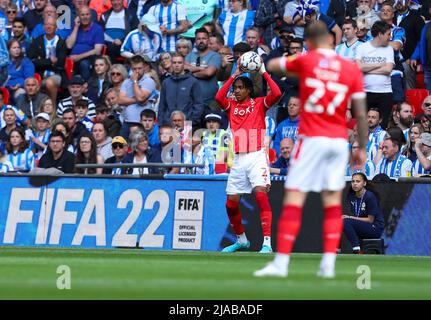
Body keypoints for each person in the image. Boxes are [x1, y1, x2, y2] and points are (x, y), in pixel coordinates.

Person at [254, 21, 369, 278]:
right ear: (331, 39)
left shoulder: (307, 60)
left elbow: (272, 65)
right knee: (332, 203)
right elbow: (361, 115)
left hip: (311, 139)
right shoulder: (350, 69)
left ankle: (281, 263)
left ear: (308, 41)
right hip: (338, 142)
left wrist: (290, 58)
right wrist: (360, 146)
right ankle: (328, 263)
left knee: (295, 198)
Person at [215, 54, 282, 254]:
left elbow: (277, 93)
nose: (236, 91)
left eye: (240, 87)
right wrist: (234, 75)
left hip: (256, 156)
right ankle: (241, 240)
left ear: (249, 90)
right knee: (230, 205)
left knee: (261, 196)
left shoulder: (259, 104)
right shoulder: (231, 106)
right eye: (235, 88)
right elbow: (219, 97)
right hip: (238, 158)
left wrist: (263, 72)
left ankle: (267, 243)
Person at [355, 21, 394, 129]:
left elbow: (388, 69)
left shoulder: (389, 48)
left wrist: (366, 68)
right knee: (363, 125)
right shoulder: (362, 47)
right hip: (365, 92)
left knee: (383, 125)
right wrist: (379, 64)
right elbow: (358, 68)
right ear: (380, 34)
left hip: (385, 93)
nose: (390, 37)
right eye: (388, 34)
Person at [27, 16, 68, 104]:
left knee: (49, 82)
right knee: (30, 83)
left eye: (51, 25)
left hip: (57, 74)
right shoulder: (37, 41)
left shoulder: (61, 42)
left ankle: (51, 108)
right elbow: (32, 61)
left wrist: (41, 60)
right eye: (46, 24)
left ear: (56, 28)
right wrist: (50, 61)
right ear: (43, 27)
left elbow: (60, 63)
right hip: (40, 75)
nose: (48, 27)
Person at [158, 53, 204, 129]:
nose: (177, 65)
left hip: (187, 124)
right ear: (171, 64)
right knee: (170, 141)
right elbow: (162, 105)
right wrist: (161, 122)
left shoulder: (193, 81)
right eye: (174, 63)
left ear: (184, 64)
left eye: (179, 62)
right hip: (168, 123)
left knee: (185, 142)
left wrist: (192, 121)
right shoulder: (166, 82)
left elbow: (198, 104)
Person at [343, 172, 385, 254]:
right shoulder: (352, 196)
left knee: (345, 221)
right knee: (339, 220)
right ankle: (336, 250)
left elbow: (370, 220)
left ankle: (356, 249)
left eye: (358, 181)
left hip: (375, 228)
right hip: (363, 226)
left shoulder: (370, 196)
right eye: (353, 181)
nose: (355, 184)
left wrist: (350, 218)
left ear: (364, 183)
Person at [117, 54, 157, 139]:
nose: (137, 71)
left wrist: (135, 81)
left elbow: (140, 97)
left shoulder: (149, 81)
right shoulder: (126, 82)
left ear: (144, 68)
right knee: (123, 147)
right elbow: (120, 101)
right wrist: (139, 100)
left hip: (142, 123)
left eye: (139, 68)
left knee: (139, 148)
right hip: (127, 122)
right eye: (134, 69)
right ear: (131, 69)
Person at [185, 28, 222, 109]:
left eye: (204, 38)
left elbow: (209, 73)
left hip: (209, 103)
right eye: (198, 39)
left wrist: (191, 71)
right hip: (190, 102)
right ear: (195, 41)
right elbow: (184, 71)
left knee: (210, 122)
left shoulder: (215, 56)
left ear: (208, 40)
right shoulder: (189, 56)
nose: (201, 41)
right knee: (188, 122)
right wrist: (201, 68)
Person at [66, 5, 105, 81]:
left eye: (87, 14)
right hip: (73, 59)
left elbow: (97, 50)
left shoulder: (97, 29)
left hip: (89, 59)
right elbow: (69, 45)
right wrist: (76, 27)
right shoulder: (75, 27)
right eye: (82, 15)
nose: (85, 17)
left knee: (84, 64)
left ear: (91, 15)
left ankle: (86, 86)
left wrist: (79, 57)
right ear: (78, 16)